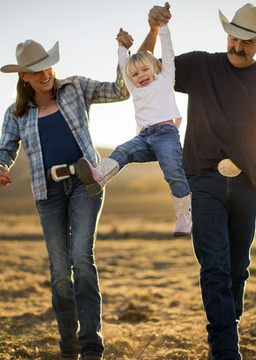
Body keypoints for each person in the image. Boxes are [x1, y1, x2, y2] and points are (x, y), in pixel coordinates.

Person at [141, 3, 256, 359]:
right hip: (202, 182)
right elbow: (146, 69)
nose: (237, 46)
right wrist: (154, 31)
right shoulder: (200, 66)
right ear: (226, 34)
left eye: (247, 42)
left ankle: (228, 332)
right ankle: (226, 350)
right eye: (233, 37)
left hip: (247, 186)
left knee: (236, 271)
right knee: (214, 265)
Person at [0, 38, 129, 360]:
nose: (44, 74)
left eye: (47, 65)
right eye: (35, 71)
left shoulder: (75, 88)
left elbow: (120, 90)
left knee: (81, 257)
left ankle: (92, 346)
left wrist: (123, 54)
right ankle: (69, 348)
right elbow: (5, 150)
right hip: (47, 192)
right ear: (23, 76)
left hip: (85, 182)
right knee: (60, 272)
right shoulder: (17, 112)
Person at [76, 22, 191, 237]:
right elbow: (123, 65)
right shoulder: (135, 89)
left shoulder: (166, 78)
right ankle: (99, 176)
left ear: (156, 68)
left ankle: (184, 216)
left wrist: (164, 28)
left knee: (173, 172)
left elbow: (168, 53)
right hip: (144, 137)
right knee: (123, 150)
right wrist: (121, 47)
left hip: (166, 134)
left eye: (145, 69)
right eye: (135, 74)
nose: (141, 75)